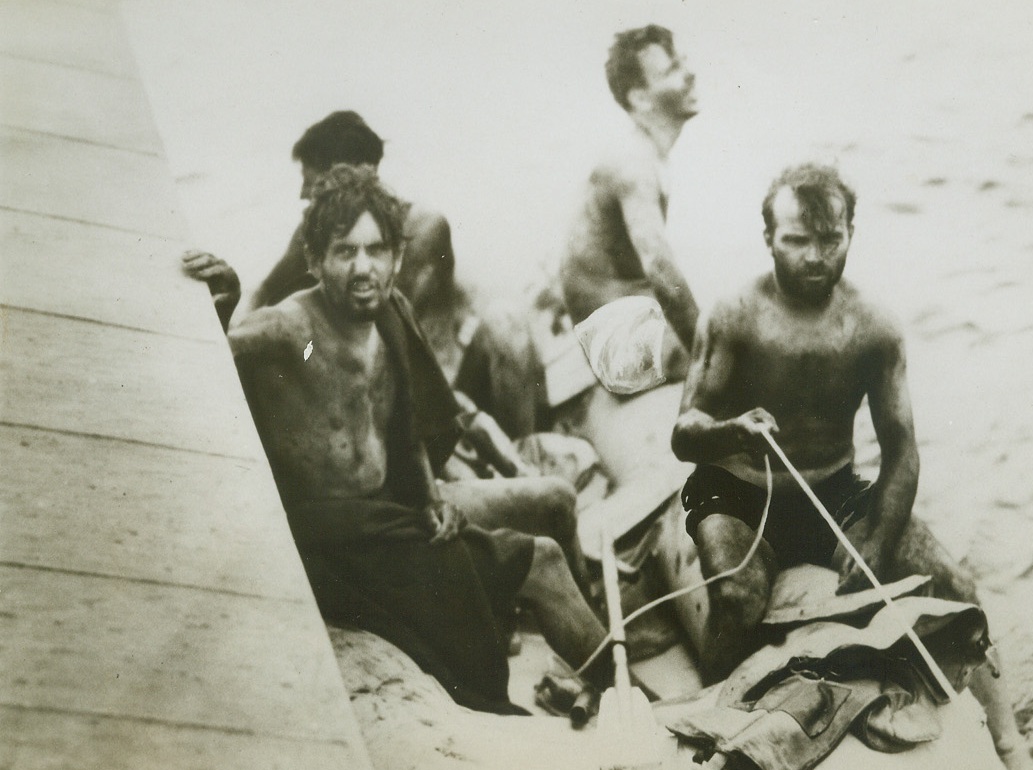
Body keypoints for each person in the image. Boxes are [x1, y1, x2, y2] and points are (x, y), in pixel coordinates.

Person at [671, 162, 1033, 770]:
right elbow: (684, 433)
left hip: (831, 491)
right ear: (767, 238)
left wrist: (877, 535)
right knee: (739, 595)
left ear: (850, 232)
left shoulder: (874, 329)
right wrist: (733, 430)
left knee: (957, 587)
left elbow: (901, 449)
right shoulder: (734, 317)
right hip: (735, 490)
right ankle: (714, 739)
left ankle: (1018, 757)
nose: (815, 258)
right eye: (796, 241)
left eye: (830, 239)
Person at [227, 165, 606, 714]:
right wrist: (223, 298)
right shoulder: (293, 329)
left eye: (376, 250)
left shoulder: (391, 317)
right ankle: (632, 701)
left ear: (397, 259)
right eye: (344, 252)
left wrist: (430, 497)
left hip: (389, 518)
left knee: (538, 543)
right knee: (541, 563)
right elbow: (214, 352)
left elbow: (409, 425)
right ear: (313, 261)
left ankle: (618, 691)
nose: (363, 268)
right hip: (332, 540)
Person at [182, 112, 581, 570]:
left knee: (485, 413)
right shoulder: (321, 244)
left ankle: (518, 477)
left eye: (309, 184)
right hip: (390, 397)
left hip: (436, 384)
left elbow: (400, 355)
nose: (300, 195)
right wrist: (278, 335)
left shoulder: (419, 232)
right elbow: (272, 306)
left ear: (352, 179)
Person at [558, 24, 701, 387]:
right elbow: (661, 270)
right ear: (639, 98)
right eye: (672, 70)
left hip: (620, 324)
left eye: (682, 62)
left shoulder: (641, 152)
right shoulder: (634, 163)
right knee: (740, 355)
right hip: (614, 347)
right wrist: (707, 352)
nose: (691, 73)